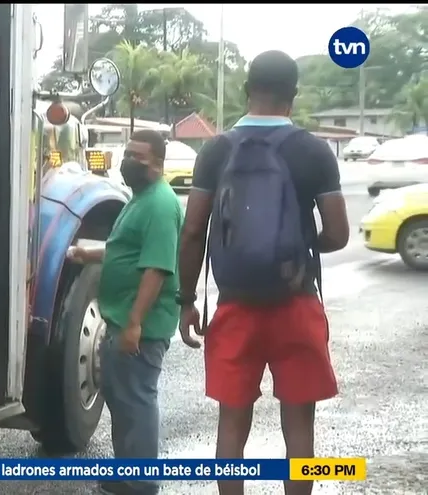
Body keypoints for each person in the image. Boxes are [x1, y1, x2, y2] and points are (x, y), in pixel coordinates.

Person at [176, 50, 350, 495]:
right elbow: (338, 233)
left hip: (235, 307)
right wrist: (299, 249)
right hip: (297, 303)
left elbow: (193, 230)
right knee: (299, 431)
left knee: (232, 428)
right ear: (293, 97)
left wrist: (187, 300)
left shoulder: (216, 150)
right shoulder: (313, 151)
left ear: (247, 90)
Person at [67, 129, 183, 495]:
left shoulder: (161, 205)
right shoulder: (140, 198)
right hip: (121, 320)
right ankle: (127, 471)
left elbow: (157, 268)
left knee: (136, 400)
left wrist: (134, 323)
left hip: (141, 326)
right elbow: (128, 250)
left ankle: (143, 482)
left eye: (139, 156)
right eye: (128, 153)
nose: (130, 161)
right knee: (121, 397)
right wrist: (91, 254)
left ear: (158, 163)